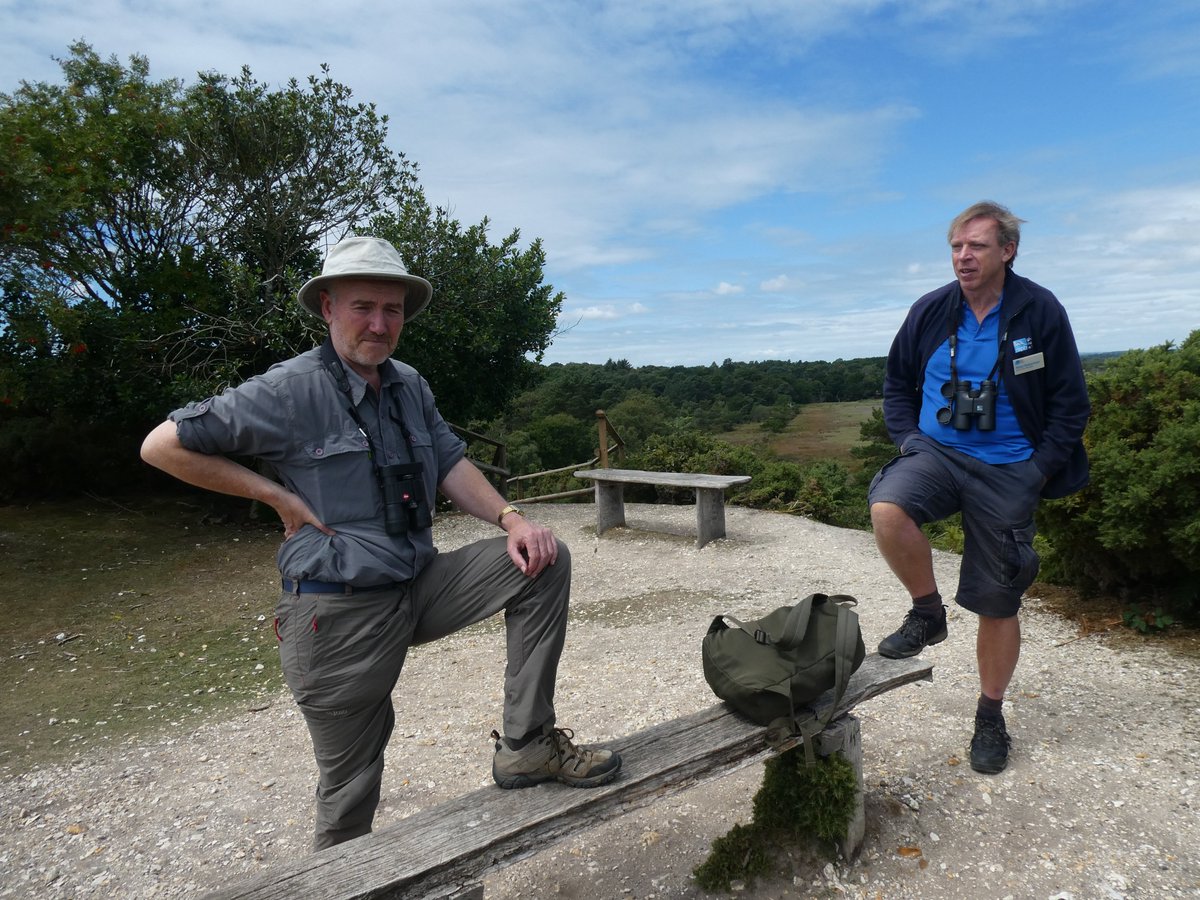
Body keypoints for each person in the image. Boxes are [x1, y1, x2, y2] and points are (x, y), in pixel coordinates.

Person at [140, 235, 621, 849]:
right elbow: (162, 445)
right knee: (351, 793)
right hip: (337, 613)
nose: (378, 323)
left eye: (391, 310)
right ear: (328, 308)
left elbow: (449, 463)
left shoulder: (408, 385)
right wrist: (276, 496)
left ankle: (526, 748)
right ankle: (346, 882)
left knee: (543, 563)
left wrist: (512, 519)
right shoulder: (289, 391)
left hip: (416, 587)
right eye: (363, 306)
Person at [868, 202, 1089, 774]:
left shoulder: (1039, 310)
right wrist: (908, 440)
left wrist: (1037, 468)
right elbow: (896, 382)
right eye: (956, 247)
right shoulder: (930, 309)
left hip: (1011, 467)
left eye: (976, 247)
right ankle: (927, 612)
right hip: (937, 453)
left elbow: (1070, 402)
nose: (963, 257)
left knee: (998, 599)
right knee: (889, 508)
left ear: (1007, 252)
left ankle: (989, 714)